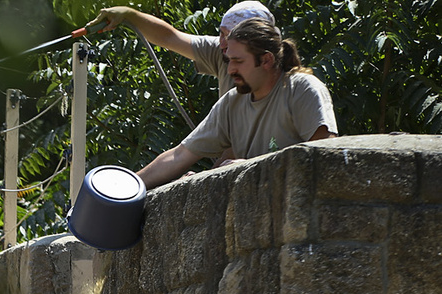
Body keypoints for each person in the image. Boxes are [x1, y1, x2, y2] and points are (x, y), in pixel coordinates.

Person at [136, 18, 337, 189]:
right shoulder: (232, 103)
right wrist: (129, 185)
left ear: (266, 60)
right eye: (229, 60)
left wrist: (252, 167)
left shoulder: (301, 89)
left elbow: (323, 156)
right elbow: (180, 155)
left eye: (238, 61)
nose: (230, 69)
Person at [86, 1, 276, 97]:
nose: (224, 43)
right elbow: (169, 37)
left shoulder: (287, 82)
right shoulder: (220, 51)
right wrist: (129, 14)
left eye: (231, 36)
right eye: (222, 34)